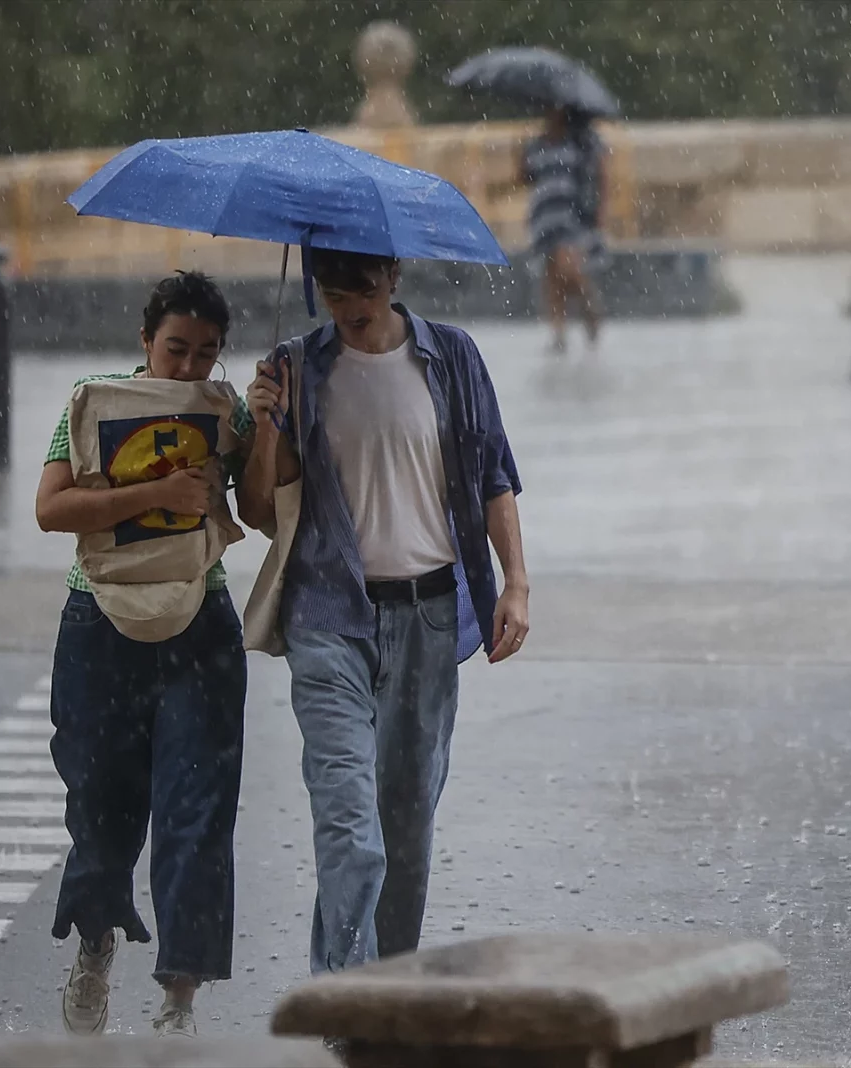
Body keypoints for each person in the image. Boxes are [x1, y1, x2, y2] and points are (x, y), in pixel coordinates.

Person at [242, 247, 529, 975]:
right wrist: (268, 421)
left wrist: (515, 583)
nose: (348, 305)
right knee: (352, 830)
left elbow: (495, 474)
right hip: (329, 618)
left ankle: (391, 993)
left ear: (395, 274)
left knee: (404, 830)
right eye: (332, 291)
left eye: (363, 287)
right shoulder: (295, 367)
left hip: (430, 616)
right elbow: (256, 509)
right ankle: (344, 996)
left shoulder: (452, 356)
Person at [35, 271, 269, 1038]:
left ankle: (179, 998)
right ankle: (96, 943)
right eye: (175, 349)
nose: (190, 367)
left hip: (198, 619)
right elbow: (52, 508)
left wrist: (264, 429)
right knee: (99, 803)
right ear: (145, 341)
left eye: (206, 353)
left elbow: (261, 511)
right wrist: (155, 497)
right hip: (99, 621)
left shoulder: (223, 409)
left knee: (197, 810)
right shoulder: (93, 399)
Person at [520, 105, 608, 354]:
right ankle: (558, 332)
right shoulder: (537, 144)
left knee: (569, 267)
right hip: (545, 215)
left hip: (573, 213)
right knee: (552, 276)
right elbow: (525, 177)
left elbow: (601, 172)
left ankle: (590, 307)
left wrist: (601, 208)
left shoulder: (581, 140)